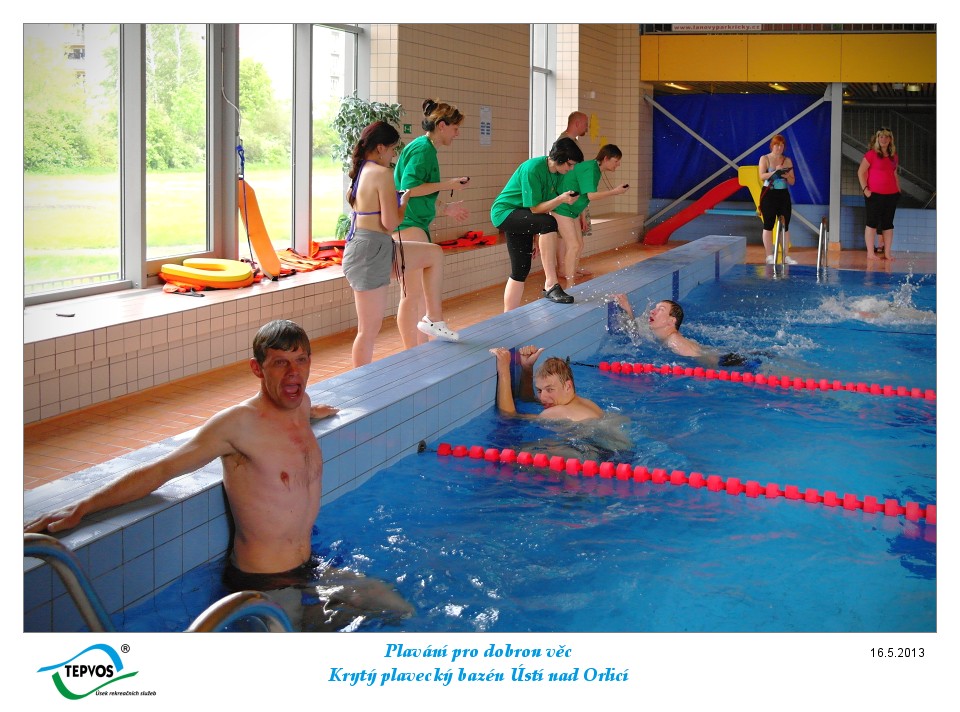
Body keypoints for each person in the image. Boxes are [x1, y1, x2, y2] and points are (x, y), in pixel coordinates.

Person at [24, 320, 414, 630]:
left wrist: (314, 413)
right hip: (262, 579)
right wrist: (82, 507)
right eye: (280, 363)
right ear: (257, 369)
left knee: (398, 609)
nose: (293, 373)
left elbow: (288, 425)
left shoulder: (300, 404)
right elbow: (162, 469)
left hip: (308, 566)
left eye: (301, 360)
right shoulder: (235, 425)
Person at [342, 121, 459, 368]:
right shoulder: (382, 174)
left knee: (434, 255)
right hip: (370, 251)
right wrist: (403, 202)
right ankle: (360, 380)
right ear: (381, 148)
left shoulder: (362, 171)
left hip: (373, 247)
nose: (394, 155)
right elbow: (390, 222)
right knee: (368, 330)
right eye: (393, 149)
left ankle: (433, 318)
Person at [394, 99, 471, 348]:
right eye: (455, 128)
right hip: (407, 225)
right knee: (411, 293)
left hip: (413, 223)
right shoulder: (423, 150)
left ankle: (421, 347)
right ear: (441, 125)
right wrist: (448, 184)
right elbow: (409, 188)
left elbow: (420, 191)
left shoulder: (425, 148)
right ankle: (411, 352)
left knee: (414, 294)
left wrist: (445, 208)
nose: (457, 134)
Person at [490, 137, 584, 311]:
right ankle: (551, 284)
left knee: (521, 269)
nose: (571, 169)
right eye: (569, 164)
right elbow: (535, 209)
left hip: (523, 215)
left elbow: (542, 208)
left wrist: (536, 237)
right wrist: (560, 199)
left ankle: (508, 315)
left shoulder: (557, 174)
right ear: (560, 158)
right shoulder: (532, 168)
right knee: (549, 222)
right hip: (505, 213)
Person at [609, 294, 759, 370]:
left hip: (729, 363)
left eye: (660, 310)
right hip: (727, 356)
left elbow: (702, 360)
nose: (652, 312)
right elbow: (635, 331)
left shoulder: (675, 342)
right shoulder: (664, 337)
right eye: (655, 308)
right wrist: (627, 308)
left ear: (671, 321)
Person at [554, 144, 629, 289]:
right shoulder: (591, 169)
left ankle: (571, 277)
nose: (618, 164)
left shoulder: (595, 168)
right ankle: (569, 285)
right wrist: (614, 192)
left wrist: (582, 214)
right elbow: (591, 196)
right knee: (574, 245)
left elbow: (581, 192)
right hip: (562, 207)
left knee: (579, 245)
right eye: (616, 161)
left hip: (573, 210)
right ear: (606, 159)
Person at [490, 344, 602, 421]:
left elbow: (509, 416)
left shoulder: (558, 412)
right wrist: (527, 368)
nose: (542, 398)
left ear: (568, 386)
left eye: (549, 389)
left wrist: (504, 370)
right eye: (539, 390)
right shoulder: (589, 405)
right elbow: (527, 400)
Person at [858, 127, 901, 261]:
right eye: (881, 136)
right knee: (872, 223)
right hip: (874, 194)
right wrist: (865, 190)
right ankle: (870, 253)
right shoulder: (871, 154)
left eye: (886, 137)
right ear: (877, 139)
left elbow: (894, 174)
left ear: (890, 139)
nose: (884, 139)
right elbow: (861, 172)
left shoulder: (894, 157)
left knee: (888, 224)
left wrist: (898, 190)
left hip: (891, 194)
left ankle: (887, 253)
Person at [758, 134, 797, 265]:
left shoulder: (787, 160)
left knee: (785, 226)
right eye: (777, 145)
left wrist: (786, 175)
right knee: (768, 224)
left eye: (781, 145)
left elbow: (792, 181)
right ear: (772, 146)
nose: (779, 148)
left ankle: (786, 256)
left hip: (783, 195)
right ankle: (769, 255)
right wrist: (775, 172)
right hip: (769, 194)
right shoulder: (765, 158)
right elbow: (762, 176)